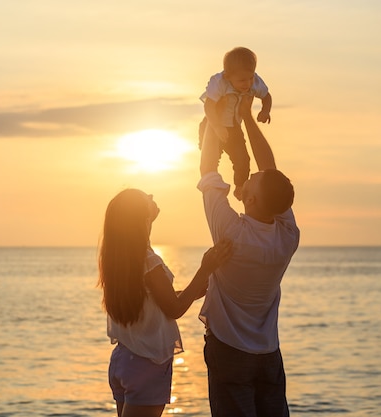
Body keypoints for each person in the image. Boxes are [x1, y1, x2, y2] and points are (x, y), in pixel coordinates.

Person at [198, 94, 299, 417]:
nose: (249, 176)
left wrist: (216, 120)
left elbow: (207, 168)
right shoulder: (287, 235)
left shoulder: (231, 232)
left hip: (229, 351)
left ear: (252, 201)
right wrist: (247, 116)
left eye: (251, 181)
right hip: (268, 353)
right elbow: (270, 171)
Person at [98, 188, 232, 417]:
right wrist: (205, 269)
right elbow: (174, 308)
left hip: (124, 360)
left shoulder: (120, 258)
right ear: (140, 216)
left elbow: (152, 299)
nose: (150, 196)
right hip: (147, 362)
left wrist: (190, 291)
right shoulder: (148, 260)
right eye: (144, 197)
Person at [199, 46, 272, 200]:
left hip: (234, 128)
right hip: (211, 124)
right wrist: (217, 127)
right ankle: (210, 186)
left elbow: (267, 96)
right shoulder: (219, 82)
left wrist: (265, 111)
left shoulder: (254, 82)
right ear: (227, 76)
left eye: (250, 78)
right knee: (211, 159)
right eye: (241, 80)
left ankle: (240, 186)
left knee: (243, 160)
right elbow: (209, 106)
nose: (247, 83)